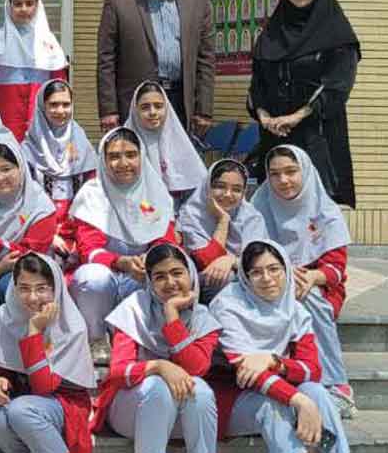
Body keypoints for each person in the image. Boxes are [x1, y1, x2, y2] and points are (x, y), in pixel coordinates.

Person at [208, 240, 349, 453]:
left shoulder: (295, 310)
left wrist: (274, 362)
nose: (267, 278)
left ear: (286, 270)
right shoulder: (227, 306)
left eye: (274, 269)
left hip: (276, 388)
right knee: (273, 406)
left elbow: (313, 370)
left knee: (316, 391)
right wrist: (300, 401)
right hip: (232, 398)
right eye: (256, 272)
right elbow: (247, 373)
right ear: (245, 277)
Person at [251, 145, 354, 415]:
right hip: (269, 280)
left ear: (305, 171)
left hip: (319, 285)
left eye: (291, 171)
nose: (283, 180)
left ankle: (336, 383)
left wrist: (312, 276)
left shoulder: (326, 211)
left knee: (309, 298)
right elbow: (249, 253)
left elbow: (336, 270)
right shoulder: (260, 205)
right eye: (275, 174)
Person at [248, 0, 360, 206]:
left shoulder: (337, 34)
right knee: (274, 209)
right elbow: (258, 84)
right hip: (275, 136)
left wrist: (296, 116)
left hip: (317, 137)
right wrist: (264, 116)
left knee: (316, 211)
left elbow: (337, 87)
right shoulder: (272, 32)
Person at [95, 243, 220, 453]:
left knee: (200, 390)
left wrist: (172, 316)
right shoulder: (134, 309)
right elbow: (117, 373)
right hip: (130, 410)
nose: (170, 283)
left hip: (181, 415)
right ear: (150, 282)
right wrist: (158, 367)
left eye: (177, 273)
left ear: (190, 275)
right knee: (158, 387)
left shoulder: (202, 318)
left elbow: (196, 368)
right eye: (160, 277)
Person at [68, 127, 179, 344]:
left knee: (165, 274)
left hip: (141, 271)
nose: (123, 163)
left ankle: (139, 343)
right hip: (106, 271)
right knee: (92, 278)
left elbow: (165, 241)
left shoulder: (154, 192)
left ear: (141, 157)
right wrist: (120, 262)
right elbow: (89, 250)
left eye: (130, 155)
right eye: (114, 156)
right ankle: (96, 340)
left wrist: (150, 260)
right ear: (103, 160)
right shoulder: (93, 194)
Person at [97, 0, 215, 135]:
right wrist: (109, 110)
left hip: (181, 101)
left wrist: (204, 109)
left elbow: (206, 60)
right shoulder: (118, 1)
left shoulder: (198, 2)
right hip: (136, 102)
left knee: (178, 156)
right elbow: (106, 59)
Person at [0, 253, 96, 453]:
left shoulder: (70, 326)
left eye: (41, 288)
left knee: (23, 410)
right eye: (24, 288)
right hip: (20, 401)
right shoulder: (2, 318)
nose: (33, 298)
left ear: (55, 288)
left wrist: (34, 331)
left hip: (63, 405)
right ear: (14, 288)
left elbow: (43, 388)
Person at [0, 141, 57, 309]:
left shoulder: (40, 206)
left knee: (9, 286)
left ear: (21, 168)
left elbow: (29, 256)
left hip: (30, 271)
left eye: (6, 169)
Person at [0, 0, 69, 141]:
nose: (24, 9)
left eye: (29, 3)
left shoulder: (49, 41)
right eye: (18, 4)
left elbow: (59, 84)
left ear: (37, 6)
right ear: (9, 6)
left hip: (41, 109)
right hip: (6, 109)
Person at [21, 80, 98, 263]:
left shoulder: (83, 145)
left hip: (79, 231)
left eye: (66, 104)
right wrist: (48, 235)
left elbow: (93, 196)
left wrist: (78, 235)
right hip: (39, 230)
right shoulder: (27, 149)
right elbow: (23, 201)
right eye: (53, 105)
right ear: (42, 107)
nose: (60, 111)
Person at [176, 160, 268, 296]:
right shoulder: (192, 214)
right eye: (220, 186)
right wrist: (223, 221)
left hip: (243, 275)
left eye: (236, 189)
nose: (228, 194)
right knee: (227, 279)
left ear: (244, 192)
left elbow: (259, 259)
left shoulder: (251, 217)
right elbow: (205, 261)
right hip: (201, 282)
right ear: (207, 186)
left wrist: (232, 261)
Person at [124, 81, 207, 204]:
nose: (153, 112)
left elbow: (197, 190)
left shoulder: (180, 145)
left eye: (158, 106)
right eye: (145, 107)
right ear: (135, 110)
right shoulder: (123, 145)